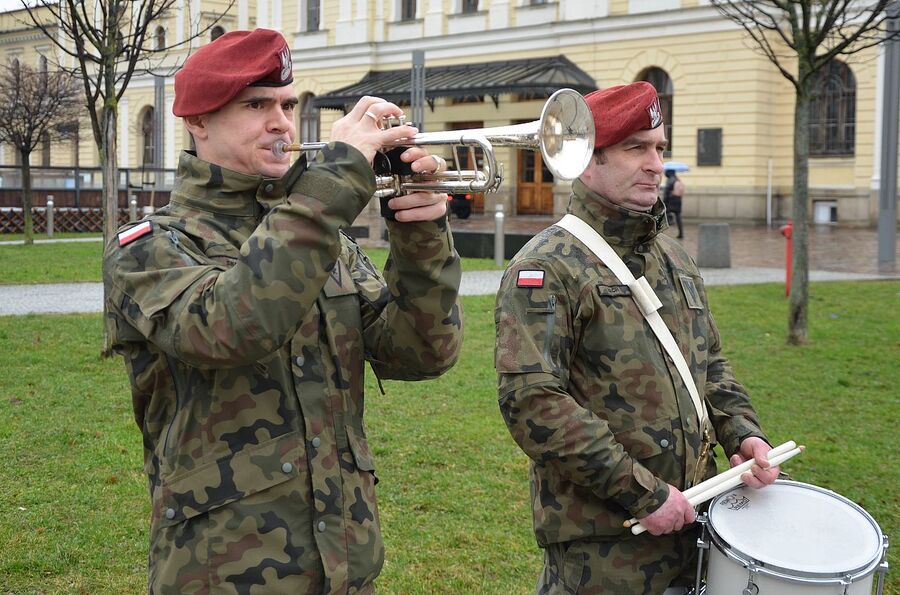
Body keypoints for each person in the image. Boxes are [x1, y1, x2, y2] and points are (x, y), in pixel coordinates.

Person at [103, 29, 463, 594]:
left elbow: (421, 353)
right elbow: (232, 327)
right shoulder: (149, 247)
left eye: (287, 104)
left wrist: (422, 237)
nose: (281, 123)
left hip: (346, 566)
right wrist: (333, 183)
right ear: (197, 121)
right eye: (256, 106)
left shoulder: (323, 236)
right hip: (224, 573)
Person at [494, 82, 778, 594]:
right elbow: (532, 403)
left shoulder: (674, 259)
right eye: (635, 148)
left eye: (660, 148)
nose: (655, 164)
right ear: (588, 160)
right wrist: (643, 493)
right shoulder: (546, 266)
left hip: (696, 530)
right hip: (605, 546)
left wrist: (743, 434)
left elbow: (709, 363)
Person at [663, 168, 685, 239]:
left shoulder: (670, 180)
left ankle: (662, 232)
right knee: (678, 217)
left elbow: (666, 192)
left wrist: (664, 201)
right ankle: (681, 233)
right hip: (678, 200)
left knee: (663, 214)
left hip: (671, 200)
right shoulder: (677, 179)